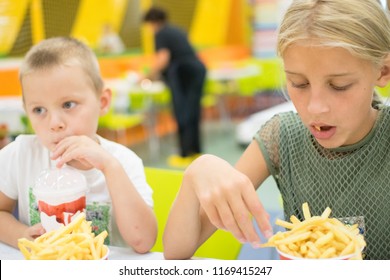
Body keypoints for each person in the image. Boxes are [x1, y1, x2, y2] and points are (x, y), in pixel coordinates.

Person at [163, 0, 390, 260]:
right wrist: (196, 173)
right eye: (299, 83)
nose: (315, 108)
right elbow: (175, 252)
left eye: (339, 85)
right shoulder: (281, 136)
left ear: (383, 71)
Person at [0, 37, 157, 253]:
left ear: (102, 102)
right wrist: (20, 235)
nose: (54, 123)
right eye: (39, 110)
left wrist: (110, 168)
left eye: (68, 104)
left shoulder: (123, 162)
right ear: (26, 110)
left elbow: (144, 241)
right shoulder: (21, 154)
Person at [143, 7, 207, 168]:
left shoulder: (161, 33)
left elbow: (163, 59)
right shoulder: (175, 30)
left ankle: (184, 154)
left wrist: (146, 76)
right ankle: (195, 151)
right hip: (197, 70)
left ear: (153, 22)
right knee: (193, 111)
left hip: (182, 73)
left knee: (182, 112)